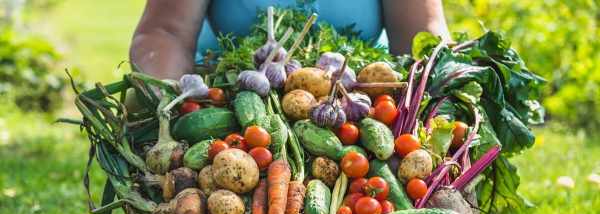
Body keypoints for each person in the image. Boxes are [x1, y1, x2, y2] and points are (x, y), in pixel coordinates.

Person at [130, 0, 450, 80]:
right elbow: (163, 33)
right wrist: (174, 102)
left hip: (359, 100)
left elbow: (421, 39)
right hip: (230, 95)